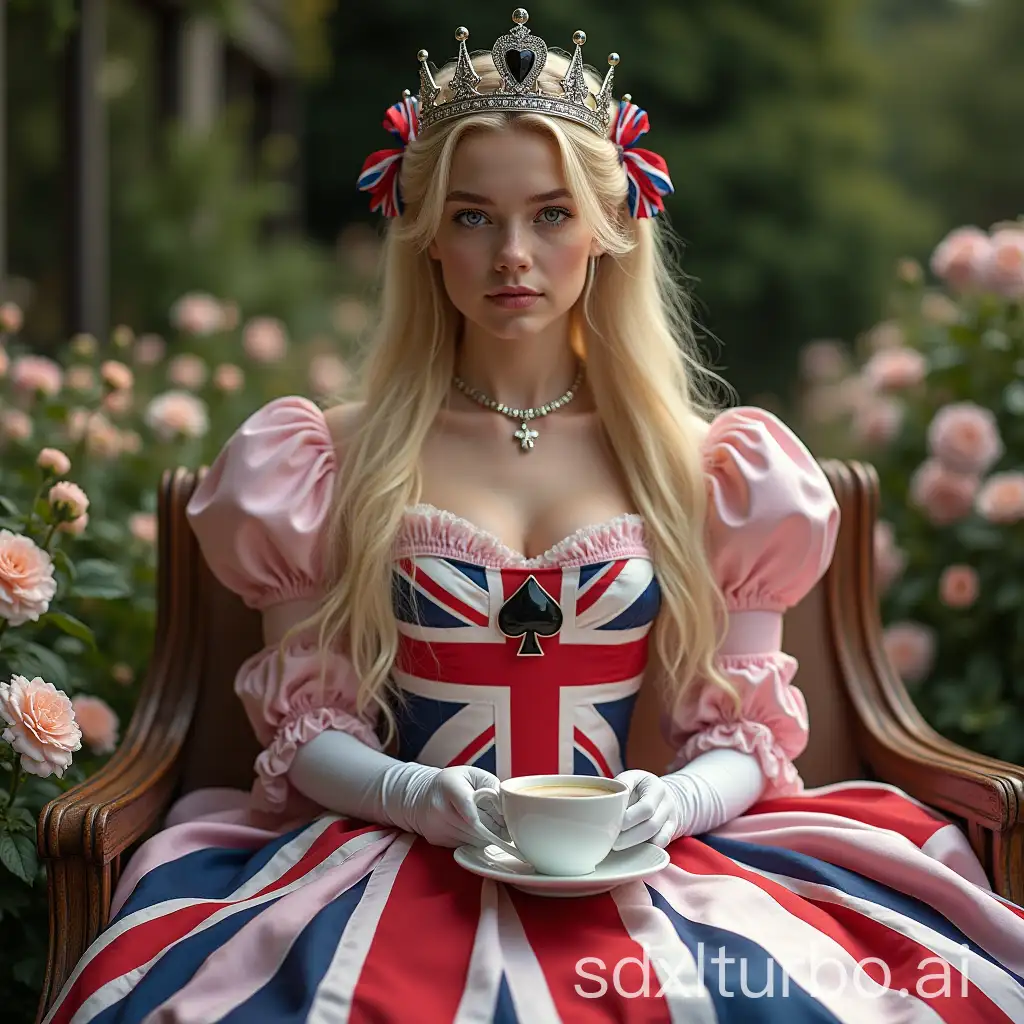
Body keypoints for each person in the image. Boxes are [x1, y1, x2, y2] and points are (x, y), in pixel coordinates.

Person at [46, 10, 1024, 1023]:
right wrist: (412, 794)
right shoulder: (329, 458)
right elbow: (306, 721)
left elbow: (741, 727)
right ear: (426, 235)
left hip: (641, 856)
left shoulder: (703, 465)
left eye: (550, 213)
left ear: (606, 228)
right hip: (394, 852)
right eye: (473, 216)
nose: (512, 253)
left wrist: (676, 799)